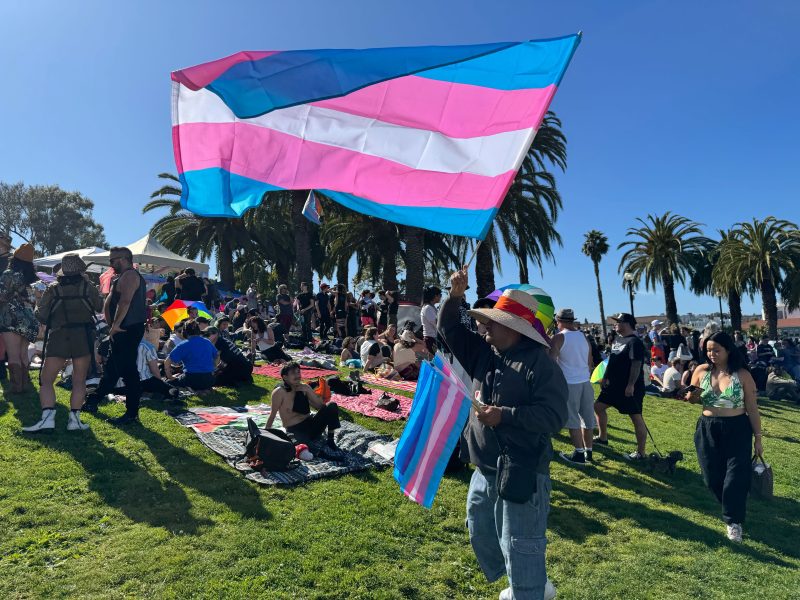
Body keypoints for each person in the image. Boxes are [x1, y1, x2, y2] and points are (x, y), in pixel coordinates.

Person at [441, 268, 566, 600]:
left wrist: (505, 416)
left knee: (520, 543)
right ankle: (527, 584)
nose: (484, 328)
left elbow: (554, 416)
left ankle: (529, 589)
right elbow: (449, 328)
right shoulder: (485, 353)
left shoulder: (541, 365)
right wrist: (455, 296)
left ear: (513, 328)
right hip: (485, 468)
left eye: (491, 322)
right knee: (482, 529)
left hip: (522, 469)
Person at [684, 332, 763, 542]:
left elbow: (752, 409)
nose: (711, 354)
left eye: (716, 350)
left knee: (735, 477)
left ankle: (733, 521)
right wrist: (691, 393)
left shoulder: (742, 375)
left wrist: (758, 438)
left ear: (728, 350)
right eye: (708, 350)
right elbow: (690, 399)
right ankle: (733, 505)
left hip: (737, 428)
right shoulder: (700, 371)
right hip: (707, 428)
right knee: (712, 478)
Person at [23, 254, 103, 432]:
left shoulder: (53, 288)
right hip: (83, 336)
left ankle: (47, 418)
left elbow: (41, 315)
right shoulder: (88, 287)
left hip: (59, 335)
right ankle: (74, 420)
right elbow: (99, 307)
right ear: (81, 270)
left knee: (46, 379)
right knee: (79, 380)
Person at [84, 247, 148, 425]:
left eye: (113, 260)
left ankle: (132, 414)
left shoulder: (130, 276)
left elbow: (125, 301)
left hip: (127, 329)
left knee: (128, 371)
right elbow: (110, 301)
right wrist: (112, 325)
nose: (110, 264)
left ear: (124, 259)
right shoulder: (119, 277)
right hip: (119, 328)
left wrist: (116, 325)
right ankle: (93, 402)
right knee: (112, 369)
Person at [594, 313, 650, 460]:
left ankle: (641, 453)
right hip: (614, 386)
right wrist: (605, 377)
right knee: (598, 407)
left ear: (627, 324)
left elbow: (636, 364)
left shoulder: (634, 342)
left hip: (630, 388)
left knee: (636, 418)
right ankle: (603, 437)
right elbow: (611, 360)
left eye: (618, 322)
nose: (615, 324)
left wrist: (631, 385)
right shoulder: (618, 339)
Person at [549, 308, 595, 466]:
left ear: (559, 321)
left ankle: (579, 454)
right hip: (585, 381)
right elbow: (590, 362)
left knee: (573, 419)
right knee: (587, 418)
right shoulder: (583, 337)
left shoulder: (559, 337)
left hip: (569, 383)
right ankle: (588, 451)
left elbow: (551, 362)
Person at [265, 362, 342, 450]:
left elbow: (320, 406)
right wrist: (266, 435)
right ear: (285, 377)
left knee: (331, 405)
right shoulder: (279, 392)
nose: (297, 375)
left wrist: (308, 391)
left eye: (298, 372)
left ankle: (330, 440)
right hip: (295, 430)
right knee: (305, 448)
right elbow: (272, 414)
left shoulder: (305, 387)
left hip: (311, 424)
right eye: (293, 373)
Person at [0, 243, 39, 393]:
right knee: (23, 353)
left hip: (11, 319)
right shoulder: (32, 277)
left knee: (13, 355)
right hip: (29, 320)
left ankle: (16, 387)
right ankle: (25, 384)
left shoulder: (9, 274)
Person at [164, 320, 217, 391]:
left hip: (191, 379)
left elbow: (167, 362)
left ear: (184, 332)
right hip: (209, 379)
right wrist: (213, 368)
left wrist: (170, 377)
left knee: (167, 383)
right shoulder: (207, 342)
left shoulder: (183, 344)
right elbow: (217, 356)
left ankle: (188, 387)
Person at [421, 285, 442, 355]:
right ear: (435, 296)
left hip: (433, 339)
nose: (441, 297)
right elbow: (437, 324)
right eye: (440, 295)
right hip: (431, 340)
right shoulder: (428, 308)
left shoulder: (431, 307)